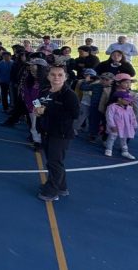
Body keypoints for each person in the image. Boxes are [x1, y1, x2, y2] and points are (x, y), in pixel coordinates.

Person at [35, 64, 80, 202]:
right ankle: (62, 187)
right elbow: (37, 102)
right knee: (54, 161)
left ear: (65, 77)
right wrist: (37, 110)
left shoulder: (69, 95)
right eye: (53, 74)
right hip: (46, 131)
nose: (56, 77)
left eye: (60, 75)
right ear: (48, 76)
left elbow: (74, 114)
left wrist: (47, 111)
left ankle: (52, 191)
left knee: (54, 162)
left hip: (60, 133)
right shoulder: (44, 91)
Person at [104, 91, 138, 160]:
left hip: (126, 127)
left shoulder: (129, 108)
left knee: (124, 139)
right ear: (119, 99)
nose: (129, 101)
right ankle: (109, 149)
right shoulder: (112, 107)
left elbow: (133, 117)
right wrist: (112, 125)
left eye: (129, 100)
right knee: (112, 137)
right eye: (126, 100)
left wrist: (135, 125)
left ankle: (125, 151)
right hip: (115, 126)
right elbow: (109, 116)